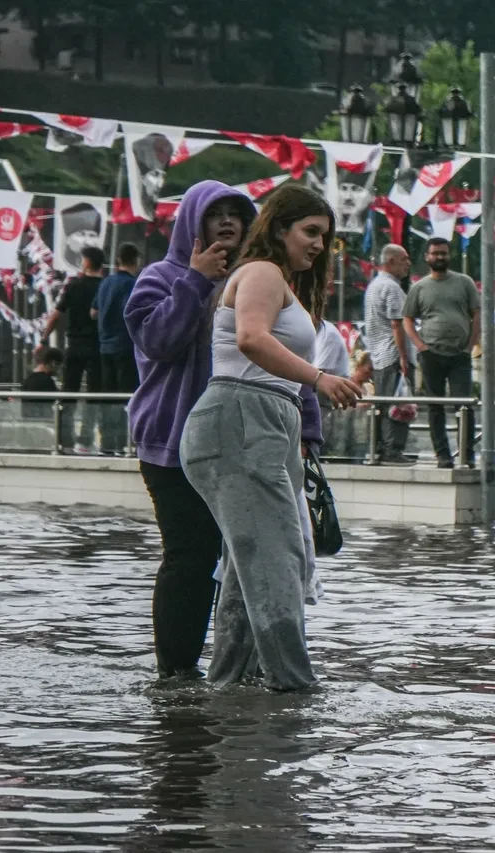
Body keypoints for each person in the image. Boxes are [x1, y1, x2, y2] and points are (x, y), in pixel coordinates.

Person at [180, 183, 361, 691]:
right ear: (279, 228)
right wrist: (319, 377)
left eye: (326, 236)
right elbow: (251, 338)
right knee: (280, 559)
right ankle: (295, 687)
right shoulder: (260, 271)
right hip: (239, 419)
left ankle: (231, 687)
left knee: (249, 568)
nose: (319, 245)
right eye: (310, 232)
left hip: (262, 425)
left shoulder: (279, 279)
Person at [125, 181, 261, 681]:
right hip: (171, 442)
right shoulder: (159, 278)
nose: (227, 222)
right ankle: (177, 671)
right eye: (214, 214)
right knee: (190, 555)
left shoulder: (254, 280)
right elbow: (160, 341)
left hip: (238, 441)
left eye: (236, 214)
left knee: (246, 555)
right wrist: (196, 281)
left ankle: (240, 664)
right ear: (190, 222)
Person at [403, 237, 479, 469]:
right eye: (435, 253)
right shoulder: (419, 287)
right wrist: (420, 346)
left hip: (460, 355)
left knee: (464, 405)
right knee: (435, 407)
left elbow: (476, 315)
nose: (439, 257)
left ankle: (467, 455)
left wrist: (469, 347)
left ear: (449, 255)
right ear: (427, 257)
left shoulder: (464, 283)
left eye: (443, 253)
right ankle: (443, 455)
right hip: (431, 354)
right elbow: (407, 319)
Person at [41, 244, 106, 453]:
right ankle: (86, 438)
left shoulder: (74, 286)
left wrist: (43, 339)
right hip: (98, 345)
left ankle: (64, 438)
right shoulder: (105, 286)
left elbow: (56, 314)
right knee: (95, 393)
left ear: (86, 262)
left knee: (69, 391)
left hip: (76, 344)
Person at [364, 243, 414, 463]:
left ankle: (381, 447)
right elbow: (397, 325)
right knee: (398, 403)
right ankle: (392, 449)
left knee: (384, 403)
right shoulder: (392, 288)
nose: (408, 264)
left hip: (378, 353)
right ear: (391, 261)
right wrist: (404, 357)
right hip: (391, 353)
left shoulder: (375, 284)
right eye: (404, 259)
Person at [92, 242, 142, 455]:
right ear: (136, 261)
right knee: (126, 396)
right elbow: (130, 313)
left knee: (107, 396)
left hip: (105, 346)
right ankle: (124, 443)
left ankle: (106, 442)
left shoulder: (105, 283)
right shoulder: (132, 284)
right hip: (125, 347)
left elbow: (93, 312)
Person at [313, 318, 352, 457]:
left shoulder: (327, 335)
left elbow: (317, 373)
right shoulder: (313, 333)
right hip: (317, 393)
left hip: (327, 397)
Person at [21, 345, 63, 420]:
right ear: (53, 363)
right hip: (43, 422)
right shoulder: (47, 382)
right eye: (59, 366)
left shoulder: (28, 379)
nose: (58, 370)